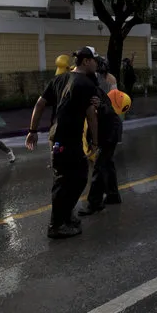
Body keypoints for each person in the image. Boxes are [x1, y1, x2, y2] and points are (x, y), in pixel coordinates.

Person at [26, 47, 99, 239]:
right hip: (66, 138)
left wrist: (33, 130)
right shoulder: (85, 83)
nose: (96, 64)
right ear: (85, 61)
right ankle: (56, 225)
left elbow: (40, 104)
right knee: (65, 181)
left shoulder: (58, 80)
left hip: (61, 138)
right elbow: (91, 116)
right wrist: (95, 142)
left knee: (78, 176)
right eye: (94, 60)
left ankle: (66, 215)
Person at [79, 73, 123, 215]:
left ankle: (95, 203)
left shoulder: (92, 93)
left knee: (100, 166)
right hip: (110, 130)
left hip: (109, 132)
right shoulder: (93, 91)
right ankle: (113, 195)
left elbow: (97, 117)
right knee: (107, 164)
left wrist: (94, 142)